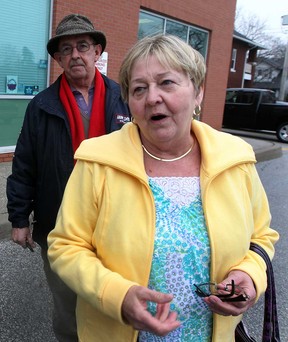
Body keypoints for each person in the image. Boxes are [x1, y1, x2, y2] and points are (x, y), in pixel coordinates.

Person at [47, 34, 279, 342]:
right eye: (139, 89)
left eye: (166, 83)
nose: (152, 97)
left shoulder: (235, 159)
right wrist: (117, 295)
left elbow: (261, 237)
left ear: (198, 92)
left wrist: (250, 276)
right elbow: (65, 245)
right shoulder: (97, 160)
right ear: (129, 103)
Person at [6, 13, 130, 342]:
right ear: (58, 58)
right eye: (66, 49)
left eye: (82, 46)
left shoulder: (124, 99)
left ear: (97, 52)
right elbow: (24, 164)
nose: (75, 54)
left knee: (113, 295)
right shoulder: (42, 105)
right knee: (66, 303)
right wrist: (19, 218)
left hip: (116, 221)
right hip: (58, 223)